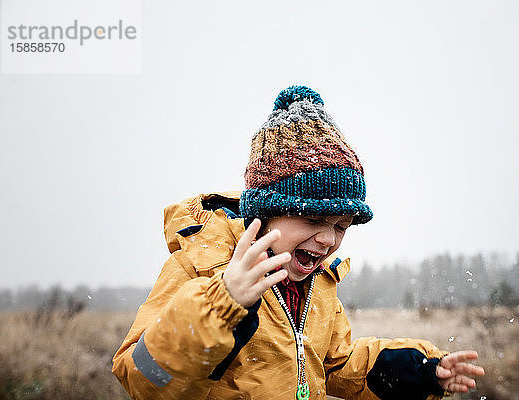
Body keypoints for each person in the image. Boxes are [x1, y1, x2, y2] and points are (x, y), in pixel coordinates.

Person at [112, 85, 485, 399]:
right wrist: (222, 304)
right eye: (313, 218)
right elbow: (140, 377)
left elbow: (337, 364)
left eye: (342, 225)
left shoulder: (317, 282)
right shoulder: (199, 265)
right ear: (265, 213)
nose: (328, 239)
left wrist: (420, 372)